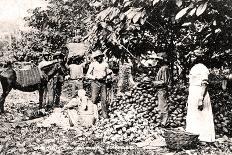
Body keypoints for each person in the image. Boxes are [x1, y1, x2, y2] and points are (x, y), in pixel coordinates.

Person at [186, 49, 215, 142]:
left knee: (202, 115)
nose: (191, 58)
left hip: (199, 93)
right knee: (194, 115)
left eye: (193, 56)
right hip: (193, 93)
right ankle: (194, 136)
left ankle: (204, 137)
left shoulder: (202, 68)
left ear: (199, 58)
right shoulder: (194, 67)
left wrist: (201, 98)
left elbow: (204, 84)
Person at [86, 50, 111, 118]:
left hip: (103, 83)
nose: (100, 58)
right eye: (98, 57)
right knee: (94, 99)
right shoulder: (93, 64)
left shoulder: (105, 64)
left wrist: (108, 77)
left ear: (102, 57)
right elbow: (88, 74)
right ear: (96, 58)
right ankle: (93, 115)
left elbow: (108, 73)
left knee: (104, 99)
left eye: (101, 57)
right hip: (95, 83)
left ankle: (104, 115)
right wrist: (94, 77)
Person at [152, 52, 170, 127]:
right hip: (160, 89)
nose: (157, 61)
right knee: (160, 106)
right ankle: (162, 121)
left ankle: (164, 122)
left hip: (162, 90)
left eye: (158, 60)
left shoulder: (164, 68)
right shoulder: (161, 68)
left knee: (163, 106)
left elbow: (164, 81)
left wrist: (154, 83)